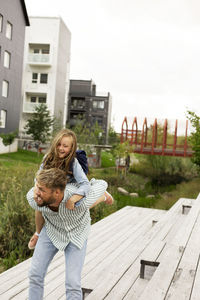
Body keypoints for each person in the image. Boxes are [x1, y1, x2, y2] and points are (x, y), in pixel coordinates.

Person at [27, 168, 110, 300]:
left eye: (42, 190)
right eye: (37, 187)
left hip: (76, 233)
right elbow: (38, 210)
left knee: (72, 282)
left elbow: (102, 183)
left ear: (57, 192)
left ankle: (103, 196)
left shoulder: (76, 198)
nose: (36, 193)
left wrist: (93, 185)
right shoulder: (34, 198)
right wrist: (37, 233)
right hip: (52, 230)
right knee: (35, 274)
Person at [28, 129, 91, 250]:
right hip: (51, 190)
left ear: (72, 148)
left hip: (67, 189)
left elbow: (85, 184)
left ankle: (102, 195)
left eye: (65, 146)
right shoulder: (48, 158)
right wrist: (37, 189)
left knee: (84, 203)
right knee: (40, 203)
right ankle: (38, 233)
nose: (61, 148)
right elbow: (38, 177)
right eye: (59, 144)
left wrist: (74, 198)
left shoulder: (73, 162)